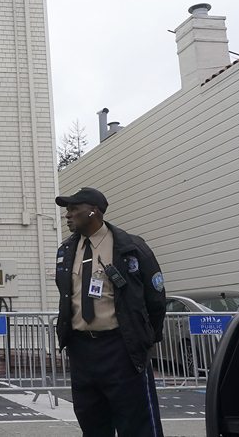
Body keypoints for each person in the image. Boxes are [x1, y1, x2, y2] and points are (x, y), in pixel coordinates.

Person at [54, 186, 167, 437]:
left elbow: (156, 299)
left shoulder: (130, 248)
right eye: (67, 209)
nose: (67, 214)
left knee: (137, 426)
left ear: (93, 211)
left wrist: (146, 339)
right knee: (93, 426)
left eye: (74, 208)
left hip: (122, 350)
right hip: (82, 352)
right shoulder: (66, 251)